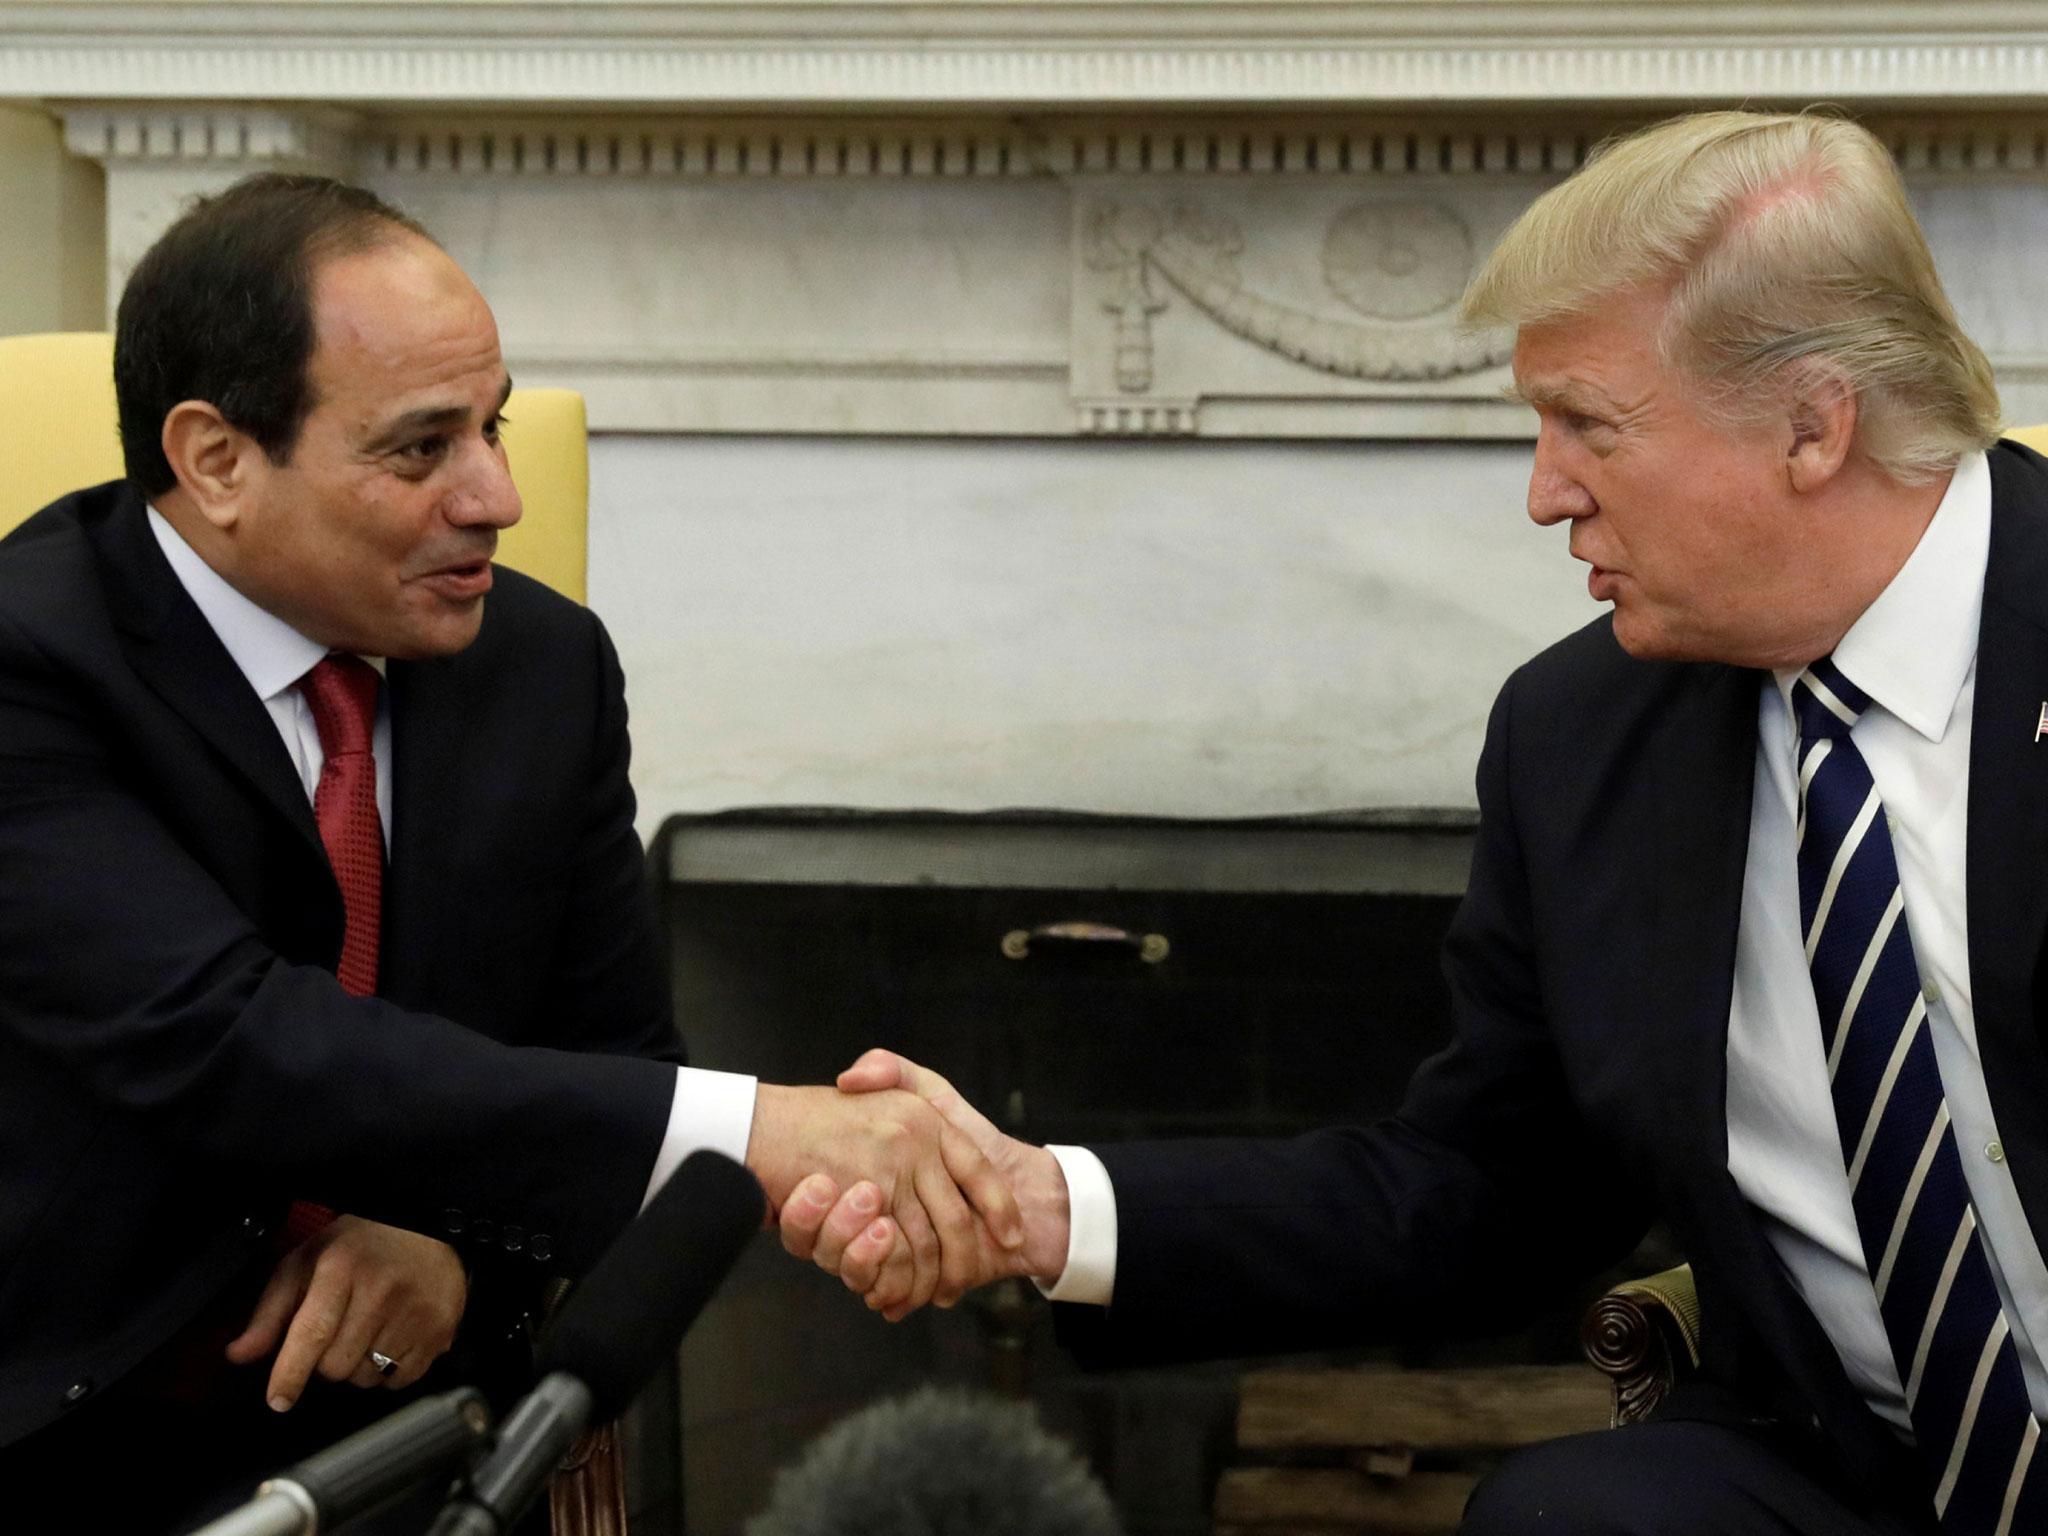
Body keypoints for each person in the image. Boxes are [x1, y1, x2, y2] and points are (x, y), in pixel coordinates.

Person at [786, 110, 2048, 1535]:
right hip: (1857, 1469)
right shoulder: (1584, 739)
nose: (1543, 492)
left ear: (1813, 426)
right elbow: (1478, 1192)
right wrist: (1041, 1208)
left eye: (1590, 425)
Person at [0, 174, 1019, 1533]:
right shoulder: (28, 668)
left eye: (492, 423)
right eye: (422, 450)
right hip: (66, 1431)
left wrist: (458, 1257)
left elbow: (615, 1070)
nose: (498, 496)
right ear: (218, 460)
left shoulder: (538, 666)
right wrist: (771, 1130)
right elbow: (230, 1043)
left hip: (420, 1436)